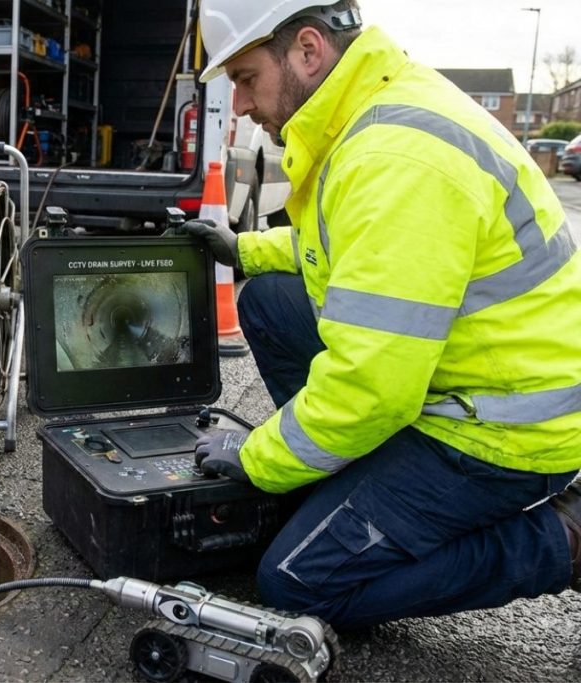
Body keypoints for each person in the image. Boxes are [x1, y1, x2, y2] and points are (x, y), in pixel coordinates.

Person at [182, 0, 581, 631]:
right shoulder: (372, 112)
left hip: (499, 431)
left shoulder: (395, 158)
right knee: (269, 298)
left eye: (246, 78)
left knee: (298, 583)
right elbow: (356, 249)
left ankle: (561, 541)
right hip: (455, 373)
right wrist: (246, 250)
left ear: (307, 50)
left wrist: (259, 459)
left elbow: (372, 387)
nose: (241, 104)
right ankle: (340, 479)